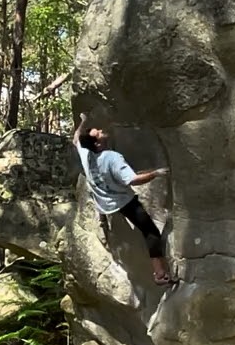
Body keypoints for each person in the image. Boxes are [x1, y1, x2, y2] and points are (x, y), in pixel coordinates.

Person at [73, 112, 174, 286]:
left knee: (99, 195)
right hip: (124, 202)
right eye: (97, 132)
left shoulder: (86, 154)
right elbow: (132, 180)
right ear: (97, 143)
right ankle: (159, 273)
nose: (99, 129)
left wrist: (83, 122)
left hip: (103, 202)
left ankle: (102, 217)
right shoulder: (112, 158)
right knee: (151, 232)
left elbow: (76, 138)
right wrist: (156, 173)